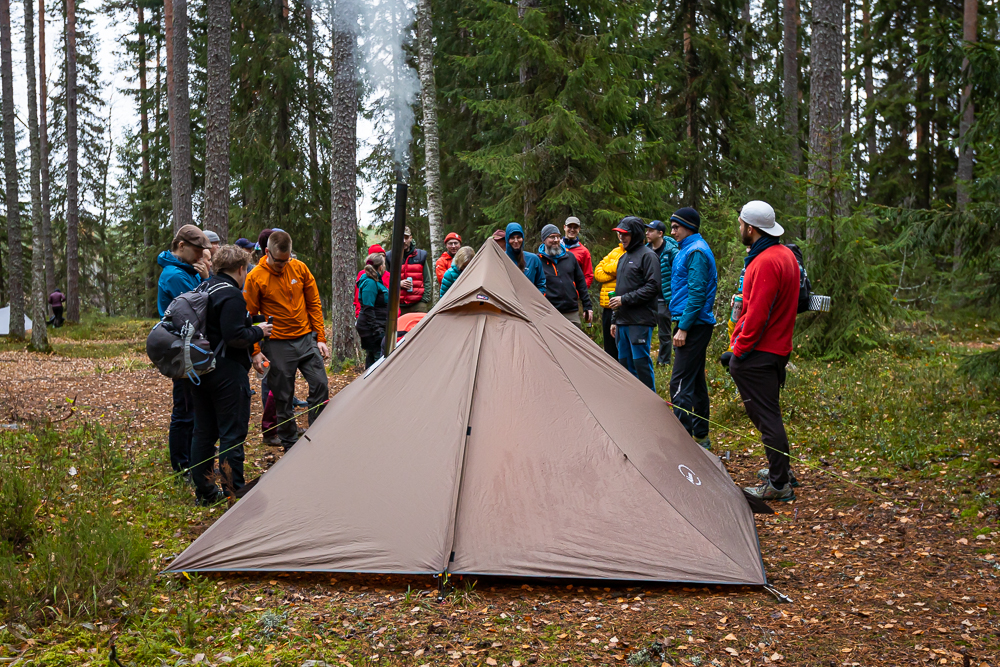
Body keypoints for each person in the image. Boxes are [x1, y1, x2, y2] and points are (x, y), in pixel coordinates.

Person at [723, 201, 801, 502]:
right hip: (776, 349)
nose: (739, 228)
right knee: (770, 414)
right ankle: (781, 470)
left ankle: (779, 484)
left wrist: (738, 350)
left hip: (761, 351)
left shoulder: (766, 261)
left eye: (741, 224)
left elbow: (758, 314)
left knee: (766, 417)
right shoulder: (784, 255)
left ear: (751, 229)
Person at [189, 245, 273, 505]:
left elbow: (219, 325)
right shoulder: (233, 294)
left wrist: (251, 322)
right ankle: (234, 490)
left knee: (203, 432)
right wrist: (260, 332)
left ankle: (204, 492)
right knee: (231, 433)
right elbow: (235, 337)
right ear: (240, 268)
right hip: (226, 372)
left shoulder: (204, 288)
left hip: (199, 368)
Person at [243, 230, 330, 451]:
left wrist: (320, 337)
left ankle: (318, 434)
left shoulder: (299, 268)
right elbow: (251, 316)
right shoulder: (255, 277)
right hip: (277, 344)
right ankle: (290, 443)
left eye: (287, 259)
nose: (283, 264)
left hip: (306, 339)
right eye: (279, 261)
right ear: (267, 253)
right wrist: (255, 350)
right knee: (283, 396)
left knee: (320, 383)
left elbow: (314, 303)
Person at [157, 225, 213, 474]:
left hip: (191, 347)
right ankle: (182, 466)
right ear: (181, 247)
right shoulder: (174, 275)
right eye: (197, 250)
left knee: (192, 407)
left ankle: (191, 462)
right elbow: (200, 306)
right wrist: (206, 279)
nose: (201, 256)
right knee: (184, 409)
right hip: (182, 349)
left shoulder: (186, 270)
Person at [668, 207, 718, 449]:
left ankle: (683, 444)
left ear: (688, 226)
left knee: (678, 384)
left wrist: (684, 327)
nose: (672, 231)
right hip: (692, 322)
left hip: (694, 324)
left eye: (676, 227)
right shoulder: (687, 248)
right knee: (695, 381)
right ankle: (701, 437)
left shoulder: (696, 251)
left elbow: (697, 294)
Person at [607, 216, 660, 391]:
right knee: (624, 365)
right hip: (622, 321)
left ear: (636, 234)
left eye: (625, 234)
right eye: (619, 234)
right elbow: (620, 290)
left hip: (640, 320)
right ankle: (632, 405)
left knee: (641, 364)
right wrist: (615, 319)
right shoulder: (623, 258)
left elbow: (653, 287)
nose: (622, 238)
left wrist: (624, 300)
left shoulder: (648, 256)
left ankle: (651, 405)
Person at [537, 224, 593, 326]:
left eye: (558, 237)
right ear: (544, 239)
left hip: (571, 312)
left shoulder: (570, 257)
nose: (556, 240)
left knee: (575, 341)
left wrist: (587, 306)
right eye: (552, 237)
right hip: (549, 313)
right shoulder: (537, 260)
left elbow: (581, 283)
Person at [645, 220, 679, 366]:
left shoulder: (671, 251)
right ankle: (644, 359)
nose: (647, 233)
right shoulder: (645, 250)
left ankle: (664, 361)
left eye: (651, 230)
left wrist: (672, 297)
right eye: (646, 230)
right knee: (645, 330)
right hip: (647, 298)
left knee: (664, 333)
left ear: (660, 233)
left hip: (664, 298)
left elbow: (678, 275)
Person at [356, 253, 390, 369]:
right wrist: (377, 331)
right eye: (384, 264)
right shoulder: (370, 283)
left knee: (372, 358)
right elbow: (368, 308)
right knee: (379, 361)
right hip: (371, 329)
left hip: (375, 326)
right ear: (380, 267)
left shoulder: (374, 280)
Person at [594, 243, 625, 358]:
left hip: (622, 305)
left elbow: (624, 269)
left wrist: (608, 268)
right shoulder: (614, 251)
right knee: (609, 347)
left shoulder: (634, 254)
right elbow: (598, 272)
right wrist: (614, 273)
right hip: (607, 307)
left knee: (621, 348)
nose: (620, 236)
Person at [504, 223, 546, 293]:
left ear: (523, 238)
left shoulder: (533, 259)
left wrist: (534, 300)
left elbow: (541, 285)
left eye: (518, 237)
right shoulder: (501, 259)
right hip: (507, 302)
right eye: (512, 238)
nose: (516, 241)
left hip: (529, 302)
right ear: (507, 239)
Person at [354, 244, 390, 318]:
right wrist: (359, 315)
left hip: (385, 317)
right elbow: (359, 299)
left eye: (383, 256)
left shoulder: (388, 275)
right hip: (372, 318)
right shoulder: (363, 275)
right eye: (379, 255)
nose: (382, 258)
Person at [561, 217, 593, 288]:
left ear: (579, 229)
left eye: (575, 227)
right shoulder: (556, 247)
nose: (572, 230)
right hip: (554, 292)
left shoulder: (584, 251)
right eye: (569, 227)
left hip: (572, 294)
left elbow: (588, 276)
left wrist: (579, 292)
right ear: (564, 227)